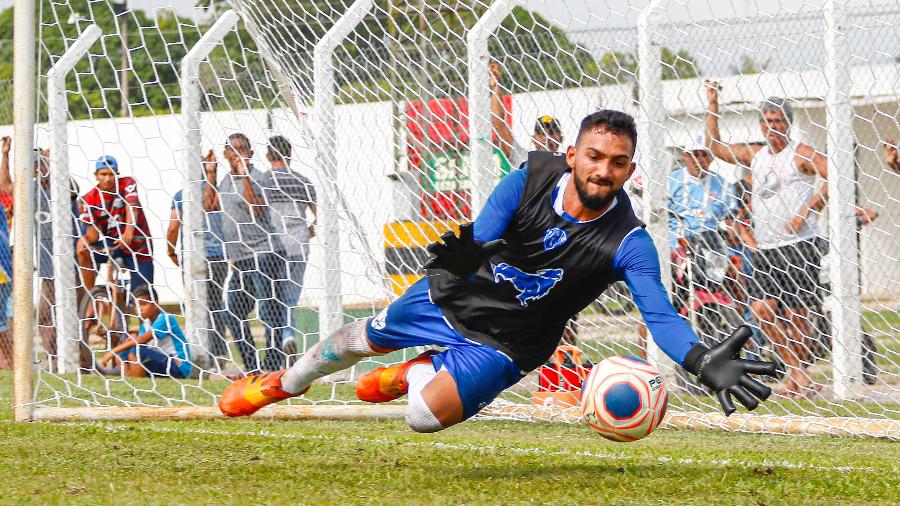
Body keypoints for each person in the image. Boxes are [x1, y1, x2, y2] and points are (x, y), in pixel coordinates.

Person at [219, 110, 776, 431]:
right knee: (351, 339)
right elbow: (481, 235)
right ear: (572, 153)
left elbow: (660, 315)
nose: (603, 170)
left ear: (632, 167)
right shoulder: (527, 179)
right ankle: (277, 386)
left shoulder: (629, 242)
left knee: (422, 419)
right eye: (594, 156)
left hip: (512, 343)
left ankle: (412, 375)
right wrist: (441, 272)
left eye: (618, 162)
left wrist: (701, 360)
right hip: (455, 297)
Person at [705, 80, 829, 398]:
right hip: (766, 248)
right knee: (761, 310)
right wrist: (713, 106)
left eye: (778, 121)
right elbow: (715, 149)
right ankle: (799, 373)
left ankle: (797, 379)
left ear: (787, 124)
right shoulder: (756, 155)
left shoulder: (800, 154)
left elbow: (836, 174)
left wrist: (809, 208)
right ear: (760, 124)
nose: (772, 127)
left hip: (799, 245)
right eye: (767, 121)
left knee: (797, 314)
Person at [218, 133, 288, 373]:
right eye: (233, 149)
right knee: (232, 312)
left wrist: (245, 174)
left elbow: (256, 209)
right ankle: (251, 367)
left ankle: (272, 366)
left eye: (243, 149)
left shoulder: (259, 177)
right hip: (240, 259)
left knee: (268, 311)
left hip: (264, 253)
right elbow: (210, 207)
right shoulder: (225, 181)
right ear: (226, 153)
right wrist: (208, 174)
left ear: (251, 153)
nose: (238, 154)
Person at [167, 149, 229, 363]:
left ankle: (199, 351)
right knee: (216, 304)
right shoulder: (219, 192)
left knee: (195, 304)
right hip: (218, 257)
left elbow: (173, 228)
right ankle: (219, 352)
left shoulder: (181, 195)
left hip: (193, 258)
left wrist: (170, 250)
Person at [260, 136, 317, 361]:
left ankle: (276, 343)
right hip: (298, 242)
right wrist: (309, 230)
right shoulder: (302, 181)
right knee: (291, 296)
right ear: (290, 154)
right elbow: (318, 214)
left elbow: (257, 213)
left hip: (272, 244)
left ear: (268, 155)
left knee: (271, 296)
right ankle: (287, 335)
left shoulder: (263, 181)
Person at [667, 134, 738, 314]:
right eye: (695, 154)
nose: (700, 160)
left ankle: (742, 319)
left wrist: (731, 232)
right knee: (665, 296)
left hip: (712, 247)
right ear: (685, 156)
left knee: (737, 274)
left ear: (712, 157)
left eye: (704, 155)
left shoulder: (723, 185)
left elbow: (731, 219)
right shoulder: (670, 181)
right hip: (678, 246)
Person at [32, 148, 84, 369]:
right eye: (36, 166)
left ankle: (80, 360)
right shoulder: (30, 192)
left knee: (74, 315)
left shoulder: (61, 188)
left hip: (69, 264)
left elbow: (74, 189)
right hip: (47, 268)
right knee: (45, 315)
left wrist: (54, 165)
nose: (39, 170)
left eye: (42, 165)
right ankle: (52, 359)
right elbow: (7, 189)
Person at [76, 155, 154, 294]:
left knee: (142, 296)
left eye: (111, 174)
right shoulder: (89, 199)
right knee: (82, 251)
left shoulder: (127, 183)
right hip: (114, 245)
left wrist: (129, 232)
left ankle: (135, 308)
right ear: (96, 175)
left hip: (138, 245)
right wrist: (85, 240)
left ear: (117, 174)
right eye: (103, 174)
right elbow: (93, 235)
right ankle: (90, 297)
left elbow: (132, 206)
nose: (107, 178)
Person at [99, 285, 191, 379]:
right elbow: (140, 342)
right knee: (123, 356)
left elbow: (142, 340)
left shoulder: (166, 319)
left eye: (143, 304)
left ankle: (136, 383)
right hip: (161, 362)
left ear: (156, 303)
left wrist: (112, 352)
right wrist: (133, 337)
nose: (139, 308)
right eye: (136, 305)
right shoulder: (146, 323)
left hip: (178, 366)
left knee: (136, 352)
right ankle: (129, 383)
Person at [490, 61, 564, 171]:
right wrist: (496, 85)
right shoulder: (523, 158)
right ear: (533, 138)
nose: (547, 137)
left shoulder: (568, 164)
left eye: (551, 132)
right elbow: (498, 124)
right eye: (542, 133)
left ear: (561, 138)